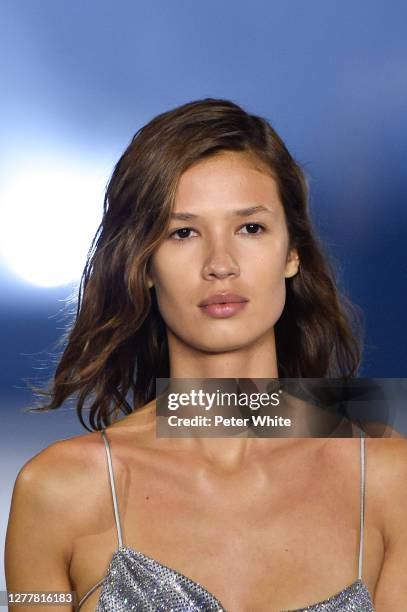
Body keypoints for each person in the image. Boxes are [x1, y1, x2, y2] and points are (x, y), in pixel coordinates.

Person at [5, 98, 407, 611]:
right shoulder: (59, 490)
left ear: (292, 253)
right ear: (143, 263)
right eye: (183, 232)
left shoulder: (387, 479)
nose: (221, 264)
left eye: (250, 228)